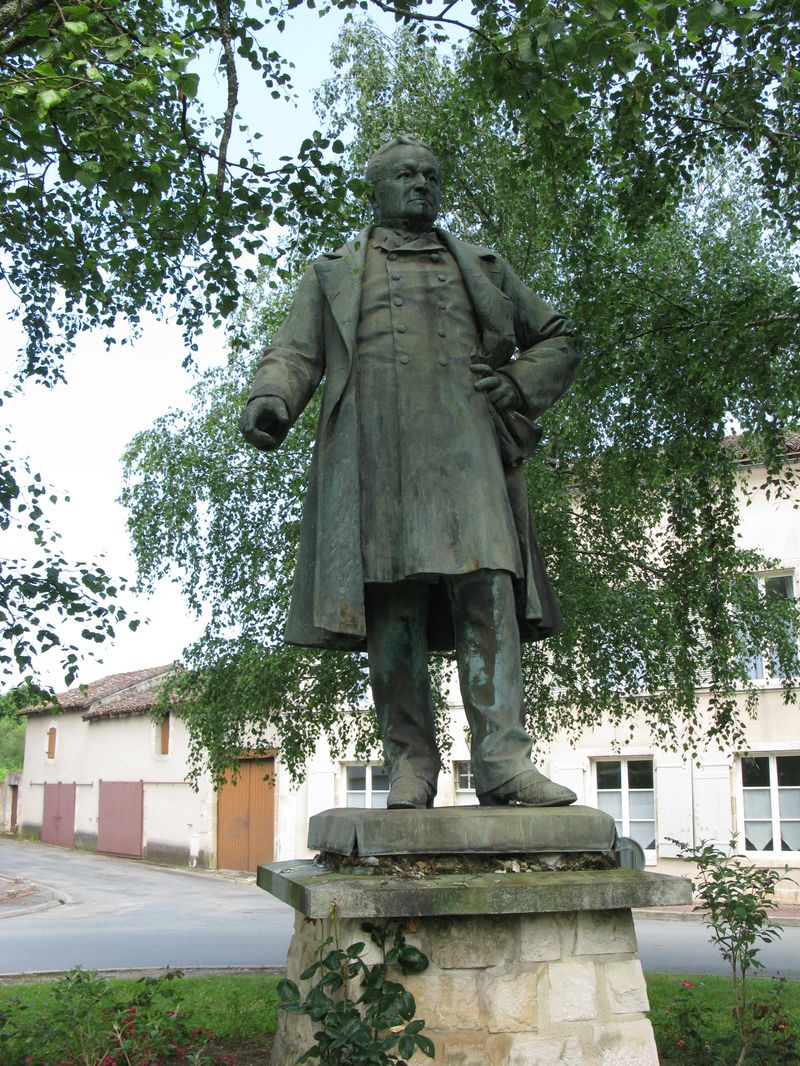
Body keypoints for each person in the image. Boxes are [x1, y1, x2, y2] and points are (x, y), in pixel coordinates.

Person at [240, 135, 580, 810]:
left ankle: (504, 764)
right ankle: (411, 767)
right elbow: (295, 353)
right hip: (376, 458)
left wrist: (517, 383)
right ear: (379, 190)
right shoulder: (334, 272)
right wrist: (270, 399)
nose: (421, 184)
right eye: (405, 175)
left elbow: (559, 334)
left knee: (489, 593)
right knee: (392, 610)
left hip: (469, 450)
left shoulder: (480, 264)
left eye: (430, 174)